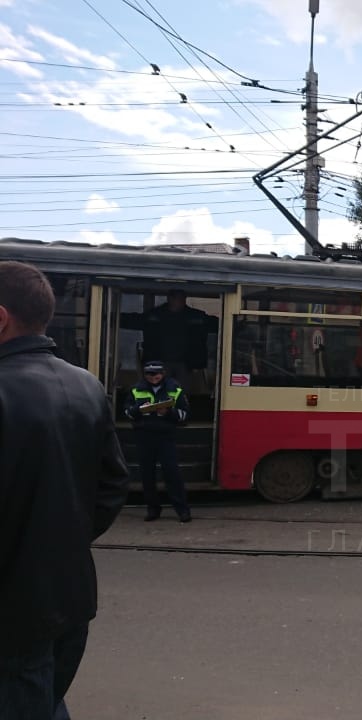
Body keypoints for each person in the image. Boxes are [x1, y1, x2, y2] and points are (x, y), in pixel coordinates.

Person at [0, 261, 130, 719]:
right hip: (71, 598)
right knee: (47, 701)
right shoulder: (87, 386)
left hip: (12, 611)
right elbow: (113, 486)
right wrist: (61, 541)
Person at [126, 360, 192, 522]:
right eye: (149, 374)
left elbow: (185, 415)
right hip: (144, 436)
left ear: (163, 373)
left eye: (156, 374)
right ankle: (152, 509)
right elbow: (127, 412)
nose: (153, 377)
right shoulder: (136, 389)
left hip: (165, 437)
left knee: (172, 473)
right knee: (147, 476)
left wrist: (168, 412)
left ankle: (182, 510)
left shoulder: (175, 389)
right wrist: (139, 410)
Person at [121, 289, 218, 385]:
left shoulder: (195, 316)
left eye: (182, 298)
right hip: (160, 362)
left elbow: (218, 324)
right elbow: (134, 321)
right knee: (161, 392)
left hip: (186, 364)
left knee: (180, 392)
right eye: (177, 298)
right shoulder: (155, 315)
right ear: (169, 299)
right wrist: (111, 317)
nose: (180, 301)